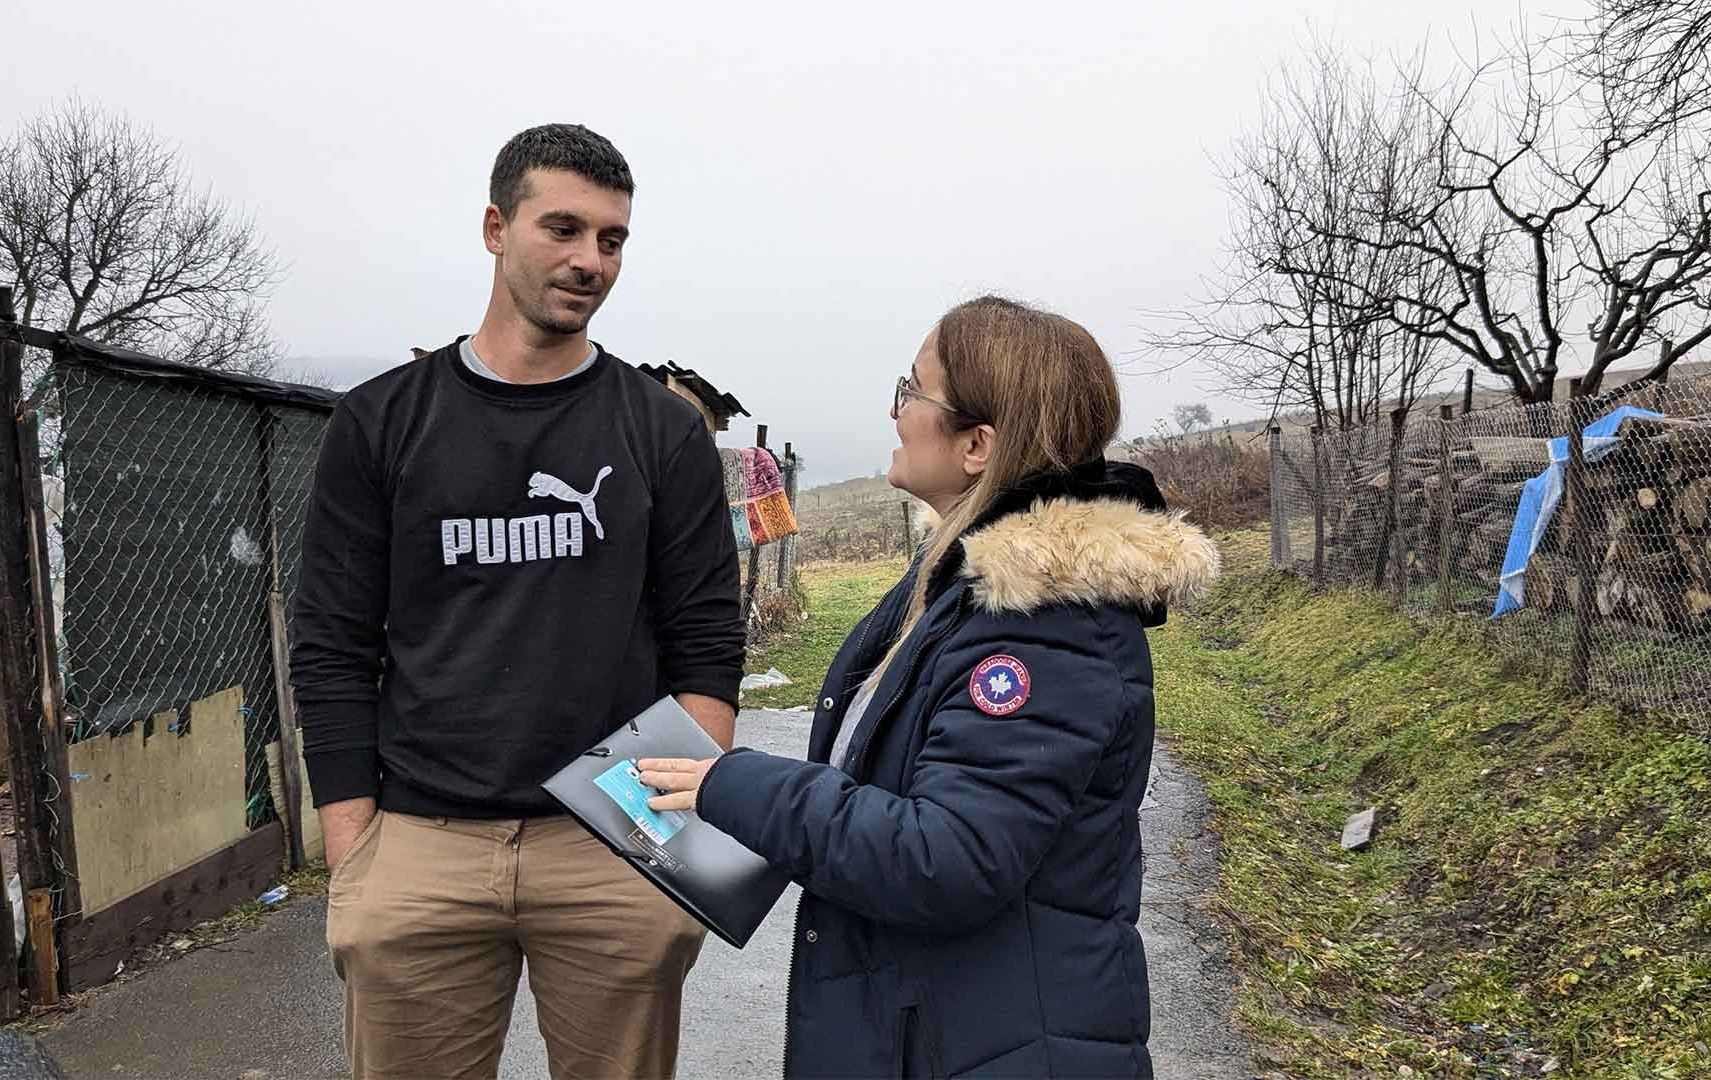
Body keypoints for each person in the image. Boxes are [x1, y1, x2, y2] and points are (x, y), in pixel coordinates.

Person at [640, 296, 1221, 1078]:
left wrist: (739, 787)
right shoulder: (964, 581)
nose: (895, 411)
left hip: (994, 1048)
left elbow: (948, 857)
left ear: (977, 443)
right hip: (942, 1026)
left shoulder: (1046, 623)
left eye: (911, 392)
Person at [291, 123, 744, 1080]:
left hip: (615, 832)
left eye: (612, 240)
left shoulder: (660, 430)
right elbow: (331, 643)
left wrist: (679, 826)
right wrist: (355, 851)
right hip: (420, 839)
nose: (589, 261)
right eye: (564, 229)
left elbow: (705, 638)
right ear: (496, 228)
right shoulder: (381, 420)